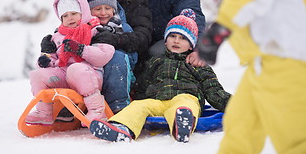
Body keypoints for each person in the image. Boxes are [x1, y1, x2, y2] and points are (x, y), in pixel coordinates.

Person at [197, 0, 306, 153]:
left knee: (296, 140)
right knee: (241, 131)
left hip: (286, 56)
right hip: (269, 57)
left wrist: (220, 29)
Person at [89, 9, 231, 143]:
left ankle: (182, 124)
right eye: (173, 36)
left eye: (182, 38)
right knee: (139, 105)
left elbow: (213, 89)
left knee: (186, 104)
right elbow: (142, 85)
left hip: (185, 96)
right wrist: (138, 95)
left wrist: (234, 106)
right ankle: (121, 127)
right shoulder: (155, 61)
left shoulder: (197, 64)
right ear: (165, 41)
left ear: (191, 45)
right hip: (157, 100)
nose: (176, 41)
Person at [73, 0, 153, 113]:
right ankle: (69, 104)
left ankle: (118, 107)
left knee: (115, 58)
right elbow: (68, 20)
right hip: (86, 47)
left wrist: (117, 40)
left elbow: (143, 35)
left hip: (121, 53)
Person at [25, 0, 115, 126]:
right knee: (37, 75)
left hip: (88, 74)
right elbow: (54, 60)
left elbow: (104, 55)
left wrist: (81, 49)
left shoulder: (95, 31)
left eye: (73, 13)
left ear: (82, 12)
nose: (70, 18)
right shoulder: (57, 36)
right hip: (63, 74)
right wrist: (45, 61)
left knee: (76, 69)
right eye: (65, 15)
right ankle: (44, 113)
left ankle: (97, 111)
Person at [86, 0, 138, 109]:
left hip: (120, 73)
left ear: (113, 9)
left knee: (116, 57)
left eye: (108, 8)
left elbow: (133, 56)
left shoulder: (122, 27)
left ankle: (117, 105)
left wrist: (115, 42)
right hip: (92, 73)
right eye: (98, 8)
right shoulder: (84, 27)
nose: (103, 13)